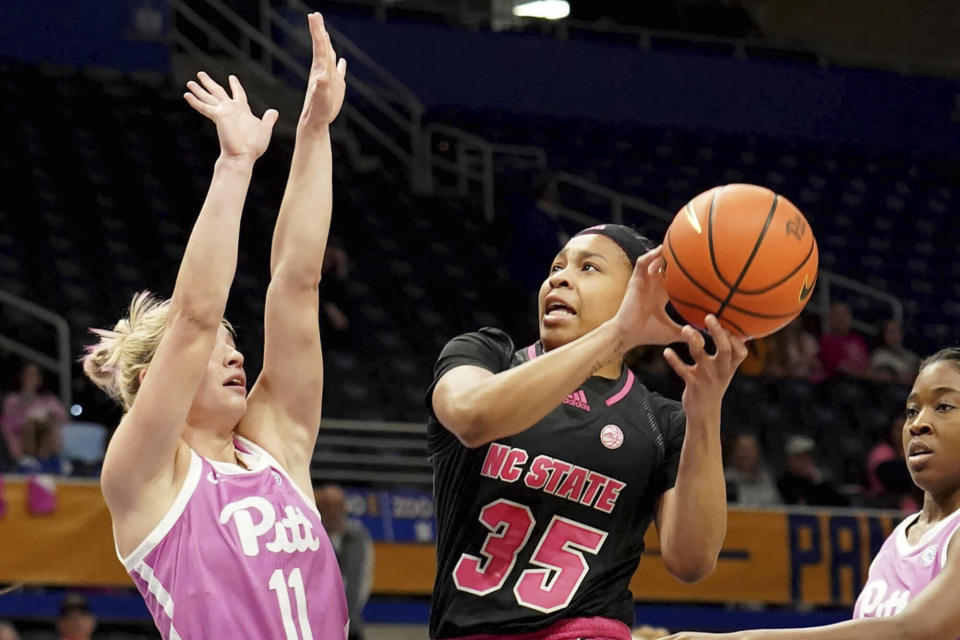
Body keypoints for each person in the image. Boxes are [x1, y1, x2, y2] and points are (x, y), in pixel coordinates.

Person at [80, 13, 349, 638]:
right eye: (218, 352)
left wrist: (314, 129)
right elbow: (197, 318)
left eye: (235, 348)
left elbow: (296, 283)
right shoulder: (143, 474)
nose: (236, 358)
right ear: (153, 378)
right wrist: (235, 163)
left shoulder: (276, 447)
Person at [426, 223, 748, 639]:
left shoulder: (662, 421)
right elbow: (471, 417)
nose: (559, 277)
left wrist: (706, 412)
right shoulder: (485, 355)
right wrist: (618, 334)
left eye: (588, 268)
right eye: (556, 266)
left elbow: (692, 561)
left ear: (640, 295)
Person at [664, 347, 960, 640]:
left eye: (944, 406)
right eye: (911, 410)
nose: (917, 423)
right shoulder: (898, 541)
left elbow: (916, 631)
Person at [316, 484, 375, 640]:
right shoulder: (312, 537)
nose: (333, 512)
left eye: (338, 506)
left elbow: (365, 577)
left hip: (352, 623)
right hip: (319, 624)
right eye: (328, 506)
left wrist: (350, 610)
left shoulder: (359, 537)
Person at [1, 361, 67, 461]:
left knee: (50, 422)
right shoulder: (12, 399)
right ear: (22, 377)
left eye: (34, 375)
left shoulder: (48, 400)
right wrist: (30, 416)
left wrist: (46, 416)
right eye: (28, 374)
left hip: (46, 441)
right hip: (22, 440)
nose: (30, 378)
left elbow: (64, 418)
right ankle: (24, 460)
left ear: (39, 380)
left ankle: (55, 460)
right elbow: (8, 422)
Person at [777, 435, 848, 507]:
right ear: (789, 459)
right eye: (800, 457)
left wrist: (819, 482)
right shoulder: (784, 483)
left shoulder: (820, 481)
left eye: (808, 455)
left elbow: (841, 507)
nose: (806, 460)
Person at [724, 432, 782, 507]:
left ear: (758, 452)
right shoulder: (726, 479)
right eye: (742, 448)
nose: (746, 453)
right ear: (734, 452)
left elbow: (778, 507)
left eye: (751, 448)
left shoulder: (767, 478)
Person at [819, 302, 871, 379]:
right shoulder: (826, 341)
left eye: (845, 315)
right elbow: (839, 367)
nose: (841, 319)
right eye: (837, 315)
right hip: (840, 382)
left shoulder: (858, 339)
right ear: (830, 320)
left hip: (863, 381)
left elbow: (867, 363)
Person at [765, 317, 823, 382]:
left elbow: (819, 366)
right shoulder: (774, 342)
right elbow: (772, 367)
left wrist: (805, 361)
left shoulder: (808, 340)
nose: (792, 321)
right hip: (782, 382)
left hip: (805, 382)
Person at [871, 320, 920, 384]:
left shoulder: (911, 357)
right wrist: (896, 376)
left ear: (902, 334)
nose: (894, 336)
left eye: (897, 332)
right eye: (891, 332)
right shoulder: (879, 356)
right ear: (884, 335)